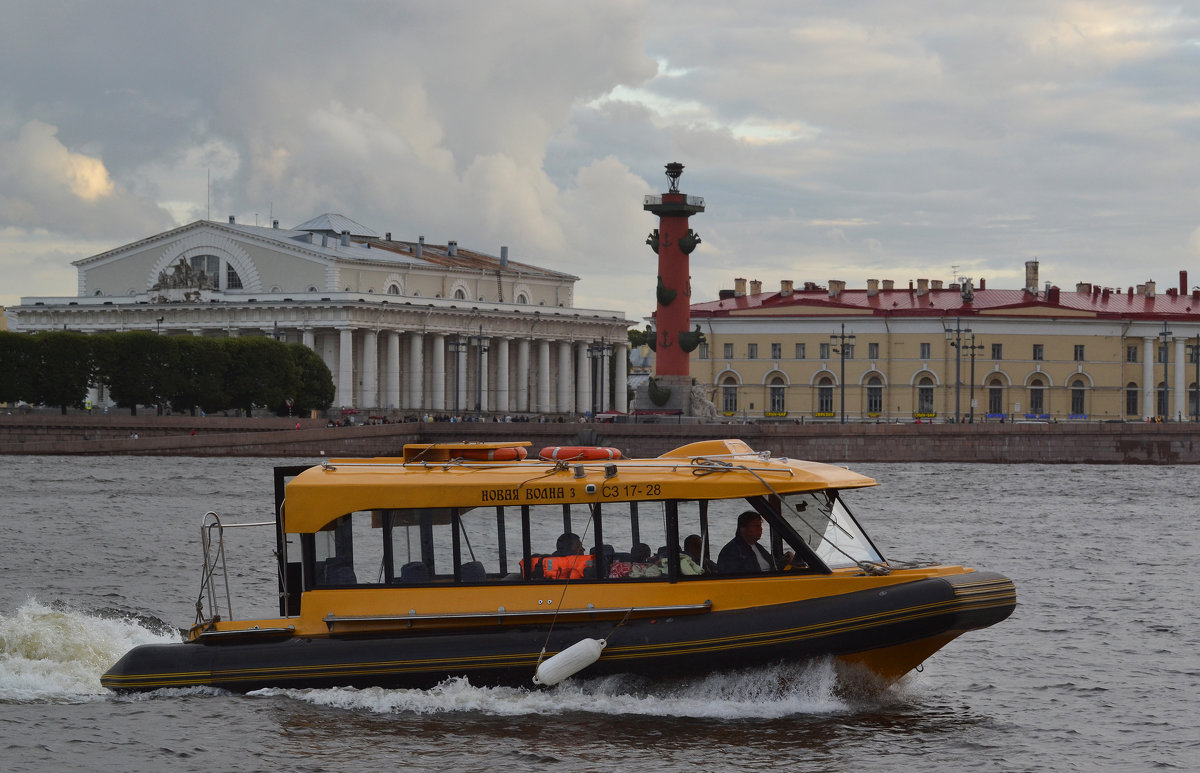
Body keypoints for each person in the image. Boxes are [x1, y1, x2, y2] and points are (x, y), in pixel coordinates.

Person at [716, 511, 792, 574]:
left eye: (760, 525)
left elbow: (772, 568)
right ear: (743, 528)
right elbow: (732, 579)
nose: (760, 529)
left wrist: (784, 561)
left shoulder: (758, 547)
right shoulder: (730, 552)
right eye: (756, 526)